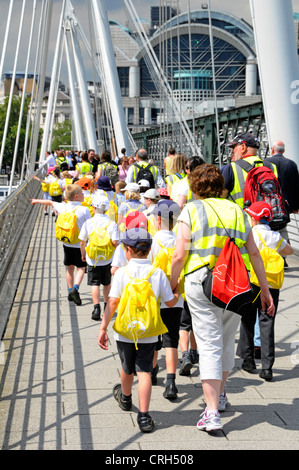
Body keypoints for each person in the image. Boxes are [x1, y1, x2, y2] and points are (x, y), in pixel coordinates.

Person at [170, 164, 274, 432]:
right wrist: (264, 289)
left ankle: (212, 412)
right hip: (235, 284)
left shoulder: (191, 210)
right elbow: (253, 253)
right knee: (227, 342)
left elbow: (180, 254)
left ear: (195, 186)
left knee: (208, 345)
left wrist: (172, 283)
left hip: (201, 282)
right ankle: (221, 394)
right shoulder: (237, 211)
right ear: (221, 185)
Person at [97, 228, 180, 433]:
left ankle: (126, 399)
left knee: (127, 368)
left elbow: (113, 301)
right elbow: (169, 302)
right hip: (149, 331)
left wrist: (103, 327)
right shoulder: (157, 273)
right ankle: (144, 416)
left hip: (125, 331)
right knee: (144, 371)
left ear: (127, 250)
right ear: (150, 250)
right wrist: (178, 293)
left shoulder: (122, 273)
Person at [236, 201, 293, 381]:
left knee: (247, 317)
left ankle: (248, 360)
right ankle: (267, 368)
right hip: (271, 283)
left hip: (251, 281)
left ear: (254, 218)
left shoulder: (249, 234)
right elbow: (289, 251)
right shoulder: (275, 237)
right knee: (267, 322)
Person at [31, 184, 91, 305]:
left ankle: (69, 290)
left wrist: (35, 201)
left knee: (69, 267)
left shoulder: (63, 206)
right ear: (76, 196)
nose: (84, 195)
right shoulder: (84, 210)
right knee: (81, 268)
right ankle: (75, 288)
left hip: (66, 243)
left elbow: (49, 202)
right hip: (80, 244)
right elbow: (89, 227)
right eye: (82, 193)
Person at [150, 199, 183, 399]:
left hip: (155, 298)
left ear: (156, 219)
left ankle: (153, 372)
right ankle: (171, 382)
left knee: (154, 337)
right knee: (172, 339)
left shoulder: (152, 242)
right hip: (176, 297)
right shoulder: (181, 242)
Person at [79, 194, 119, 321]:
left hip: (92, 259)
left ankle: (96, 308)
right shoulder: (111, 223)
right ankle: (107, 308)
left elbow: (82, 242)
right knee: (107, 283)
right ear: (107, 209)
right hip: (107, 259)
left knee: (94, 284)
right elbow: (114, 242)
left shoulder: (88, 222)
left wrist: (83, 255)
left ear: (94, 208)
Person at [221, 132, 277, 208]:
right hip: (266, 216)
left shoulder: (231, 168)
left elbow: (221, 197)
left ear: (243, 147)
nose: (233, 151)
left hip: (242, 217)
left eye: (234, 147)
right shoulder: (271, 167)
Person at [265, 140, 299, 248]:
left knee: (269, 228)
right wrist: (295, 206)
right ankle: (283, 253)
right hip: (285, 204)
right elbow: (296, 187)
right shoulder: (291, 164)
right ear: (283, 150)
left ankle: (274, 253)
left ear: (272, 150)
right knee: (282, 227)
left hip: (269, 203)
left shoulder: (265, 162)